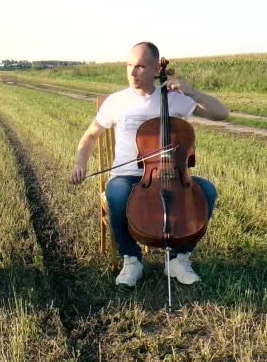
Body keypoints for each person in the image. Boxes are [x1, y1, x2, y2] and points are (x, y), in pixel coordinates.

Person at [71, 42, 229, 288]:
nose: (133, 73)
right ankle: (131, 259)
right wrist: (80, 162)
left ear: (156, 69)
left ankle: (179, 259)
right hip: (128, 175)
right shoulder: (116, 101)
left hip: (171, 175)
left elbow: (222, 113)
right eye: (129, 66)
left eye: (141, 67)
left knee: (206, 190)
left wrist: (191, 92)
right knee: (117, 192)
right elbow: (91, 135)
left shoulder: (175, 99)